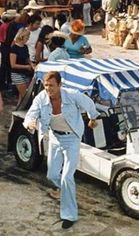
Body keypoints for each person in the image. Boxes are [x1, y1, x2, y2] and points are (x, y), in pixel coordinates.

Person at [22, 71, 99, 229]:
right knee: (52, 175)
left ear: (60, 85)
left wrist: (92, 118)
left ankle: (69, 215)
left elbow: (89, 103)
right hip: (55, 138)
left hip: (72, 139)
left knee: (66, 177)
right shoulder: (41, 98)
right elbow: (30, 115)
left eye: (51, 85)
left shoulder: (72, 95)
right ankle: (67, 192)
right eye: (46, 85)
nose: (48, 88)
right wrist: (30, 123)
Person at [10, 28, 35, 105]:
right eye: (27, 37)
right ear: (22, 36)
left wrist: (32, 65)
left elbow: (27, 59)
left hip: (25, 73)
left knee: (22, 97)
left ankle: (18, 111)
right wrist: (26, 67)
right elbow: (13, 65)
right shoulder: (14, 48)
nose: (28, 39)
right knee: (26, 96)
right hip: (17, 74)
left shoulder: (25, 47)